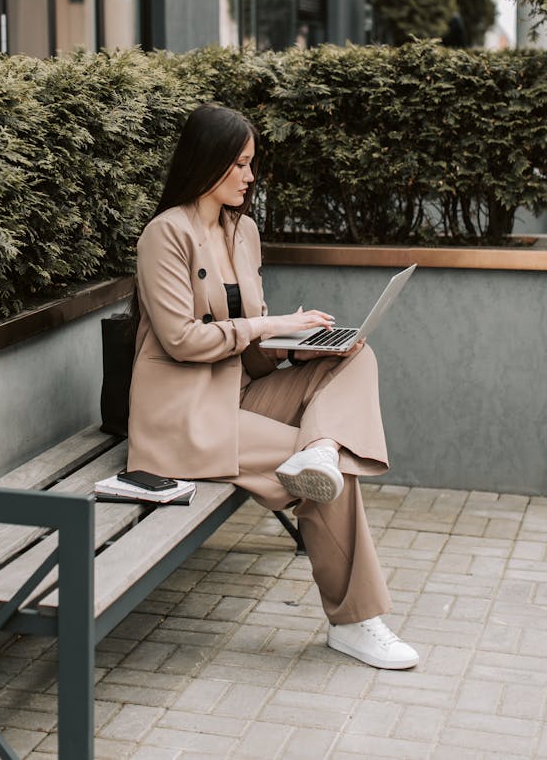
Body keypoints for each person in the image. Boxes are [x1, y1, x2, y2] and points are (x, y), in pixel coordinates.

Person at [127, 102, 418, 670]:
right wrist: (270, 325)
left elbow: (253, 354)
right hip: (184, 416)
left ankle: (323, 446)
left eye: (251, 163)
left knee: (355, 358)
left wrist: (296, 346)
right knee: (321, 480)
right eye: (239, 163)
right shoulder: (165, 234)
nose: (249, 176)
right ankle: (357, 623)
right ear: (207, 162)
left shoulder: (244, 231)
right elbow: (183, 340)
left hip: (239, 391)